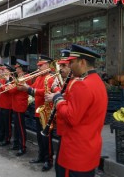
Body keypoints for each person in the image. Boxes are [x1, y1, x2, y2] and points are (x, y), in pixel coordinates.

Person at [45, 44, 108, 177]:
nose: (70, 65)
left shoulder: (82, 84)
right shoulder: (97, 81)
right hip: (89, 150)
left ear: (82, 62)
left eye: (72, 62)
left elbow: (71, 117)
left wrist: (57, 99)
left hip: (75, 153)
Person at [9, 59, 30, 156]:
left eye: (16, 67)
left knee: (21, 127)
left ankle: (23, 146)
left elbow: (13, 91)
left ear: (21, 68)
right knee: (17, 126)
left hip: (20, 105)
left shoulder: (26, 77)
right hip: (15, 104)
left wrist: (10, 82)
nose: (15, 69)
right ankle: (17, 143)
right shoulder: (19, 77)